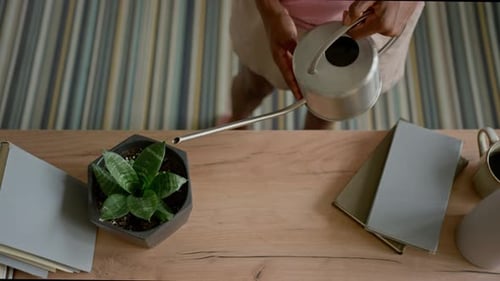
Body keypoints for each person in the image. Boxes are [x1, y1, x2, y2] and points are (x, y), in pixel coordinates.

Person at [227, 0, 425, 129]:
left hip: (374, 20)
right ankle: (237, 125)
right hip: (274, 14)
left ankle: (307, 159)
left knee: (327, 112)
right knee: (252, 86)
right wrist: (270, 11)